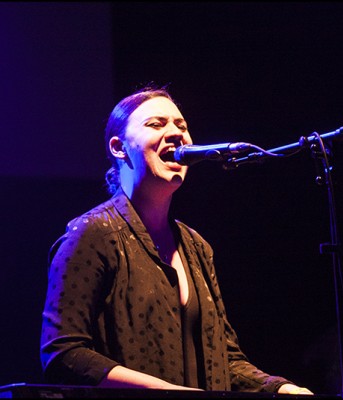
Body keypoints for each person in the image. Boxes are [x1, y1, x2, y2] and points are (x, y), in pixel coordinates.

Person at [40, 83, 313, 395]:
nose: (176, 133)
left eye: (181, 125)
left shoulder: (197, 248)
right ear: (118, 147)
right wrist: (166, 391)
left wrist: (280, 389)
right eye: (156, 124)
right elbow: (64, 354)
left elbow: (226, 361)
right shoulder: (92, 234)